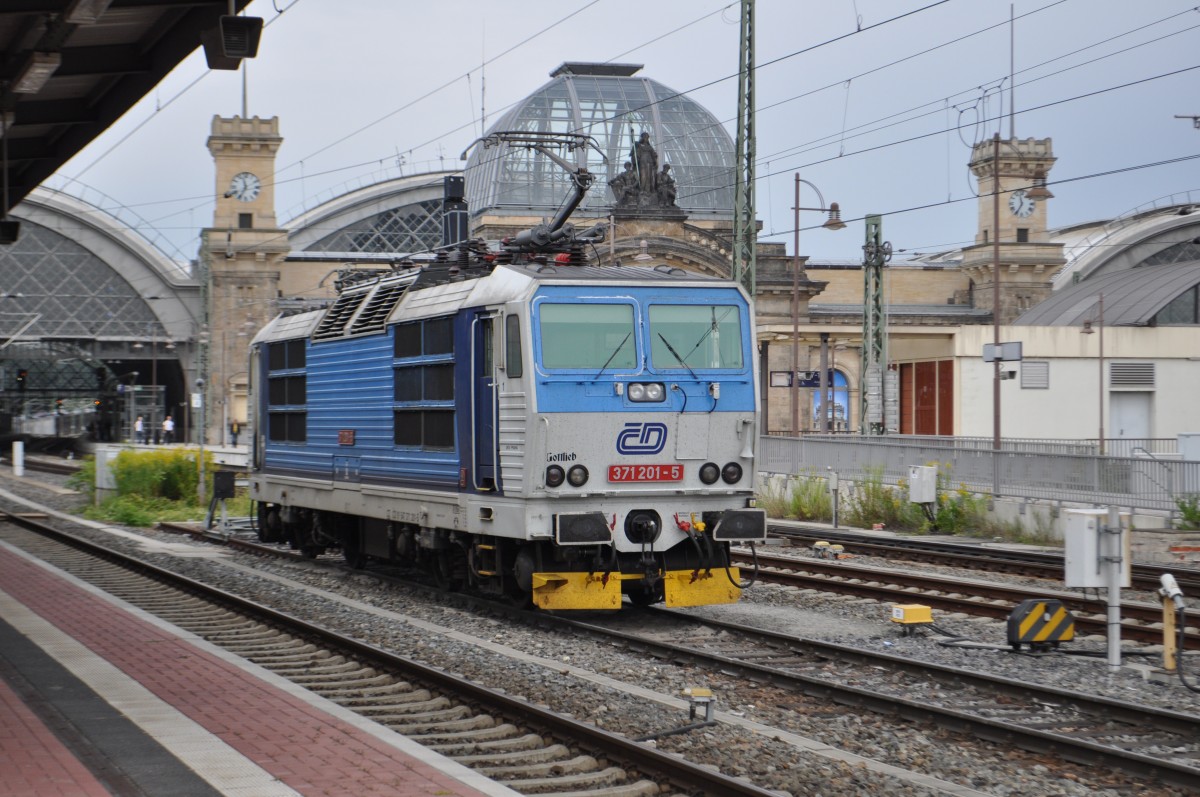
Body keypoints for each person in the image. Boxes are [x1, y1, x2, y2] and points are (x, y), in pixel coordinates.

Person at [634, 131, 657, 195]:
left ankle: (648, 190)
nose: (646, 139)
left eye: (647, 137)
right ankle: (642, 189)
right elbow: (637, 154)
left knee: (649, 177)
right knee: (643, 176)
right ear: (642, 138)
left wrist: (655, 157)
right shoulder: (639, 146)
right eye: (645, 137)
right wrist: (637, 157)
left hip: (650, 162)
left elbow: (653, 154)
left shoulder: (650, 147)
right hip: (643, 161)